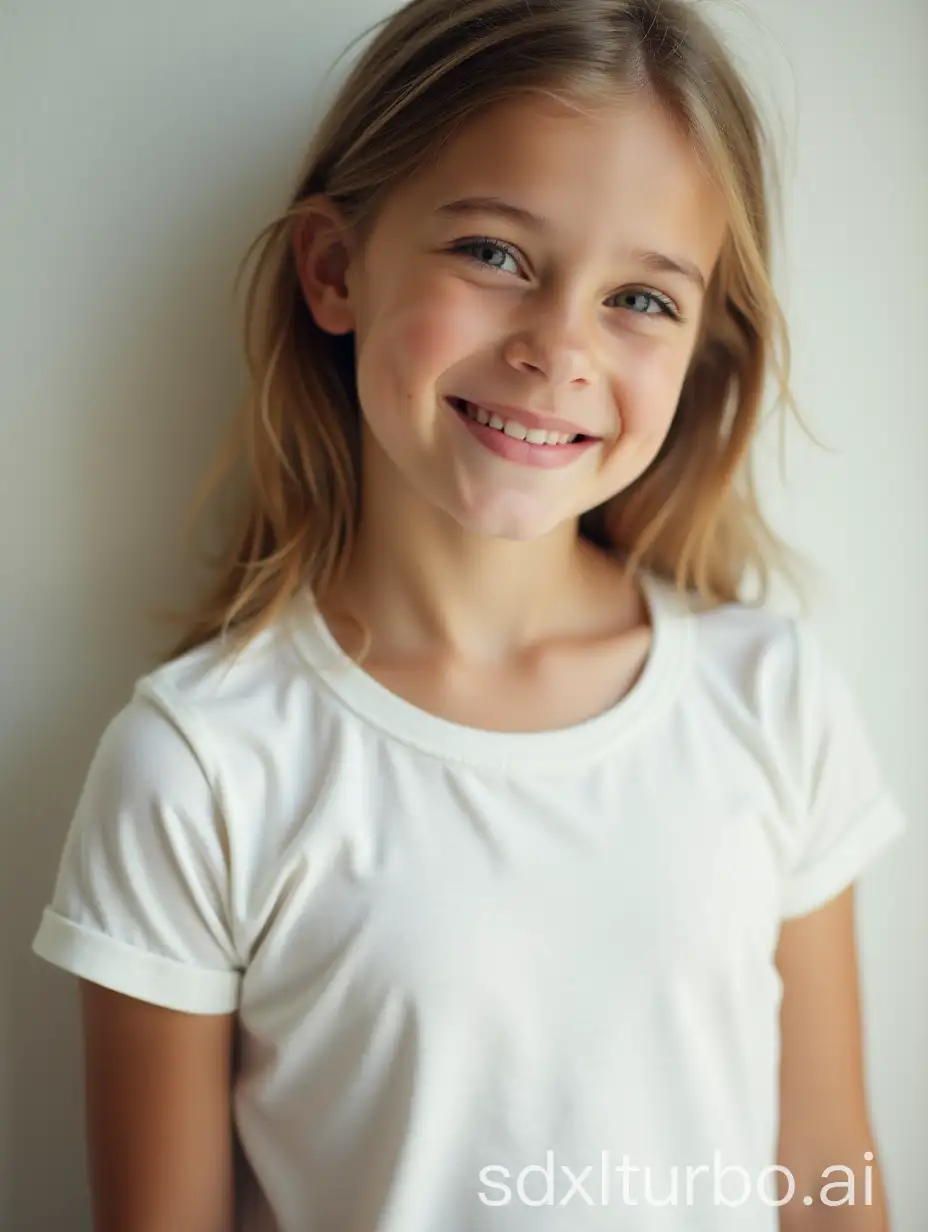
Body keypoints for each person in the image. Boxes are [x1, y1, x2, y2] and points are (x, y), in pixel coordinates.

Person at [32, 0, 907, 1228]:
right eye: (495, 254)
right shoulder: (200, 765)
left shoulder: (771, 695)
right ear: (334, 269)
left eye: (642, 299)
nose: (559, 347)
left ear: (704, 340)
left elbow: (826, 1183)